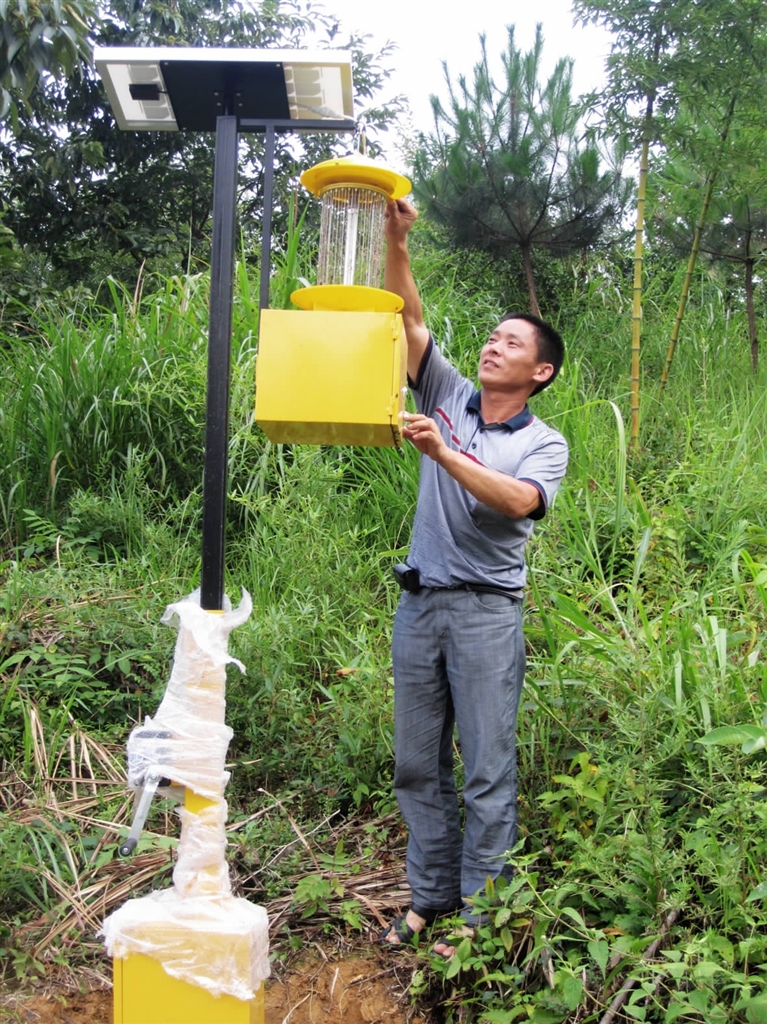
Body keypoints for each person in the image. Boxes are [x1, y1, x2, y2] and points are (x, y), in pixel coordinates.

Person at [379, 198, 569, 956]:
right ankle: (430, 896)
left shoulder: (543, 444)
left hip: (488, 615)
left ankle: (483, 919)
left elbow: (516, 503)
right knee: (416, 764)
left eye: (511, 342)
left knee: (486, 770)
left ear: (540, 370)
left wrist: (446, 456)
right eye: (491, 337)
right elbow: (408, 324)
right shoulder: (449, 395)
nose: (493, 347)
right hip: (420, 604)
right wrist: (397, 241)